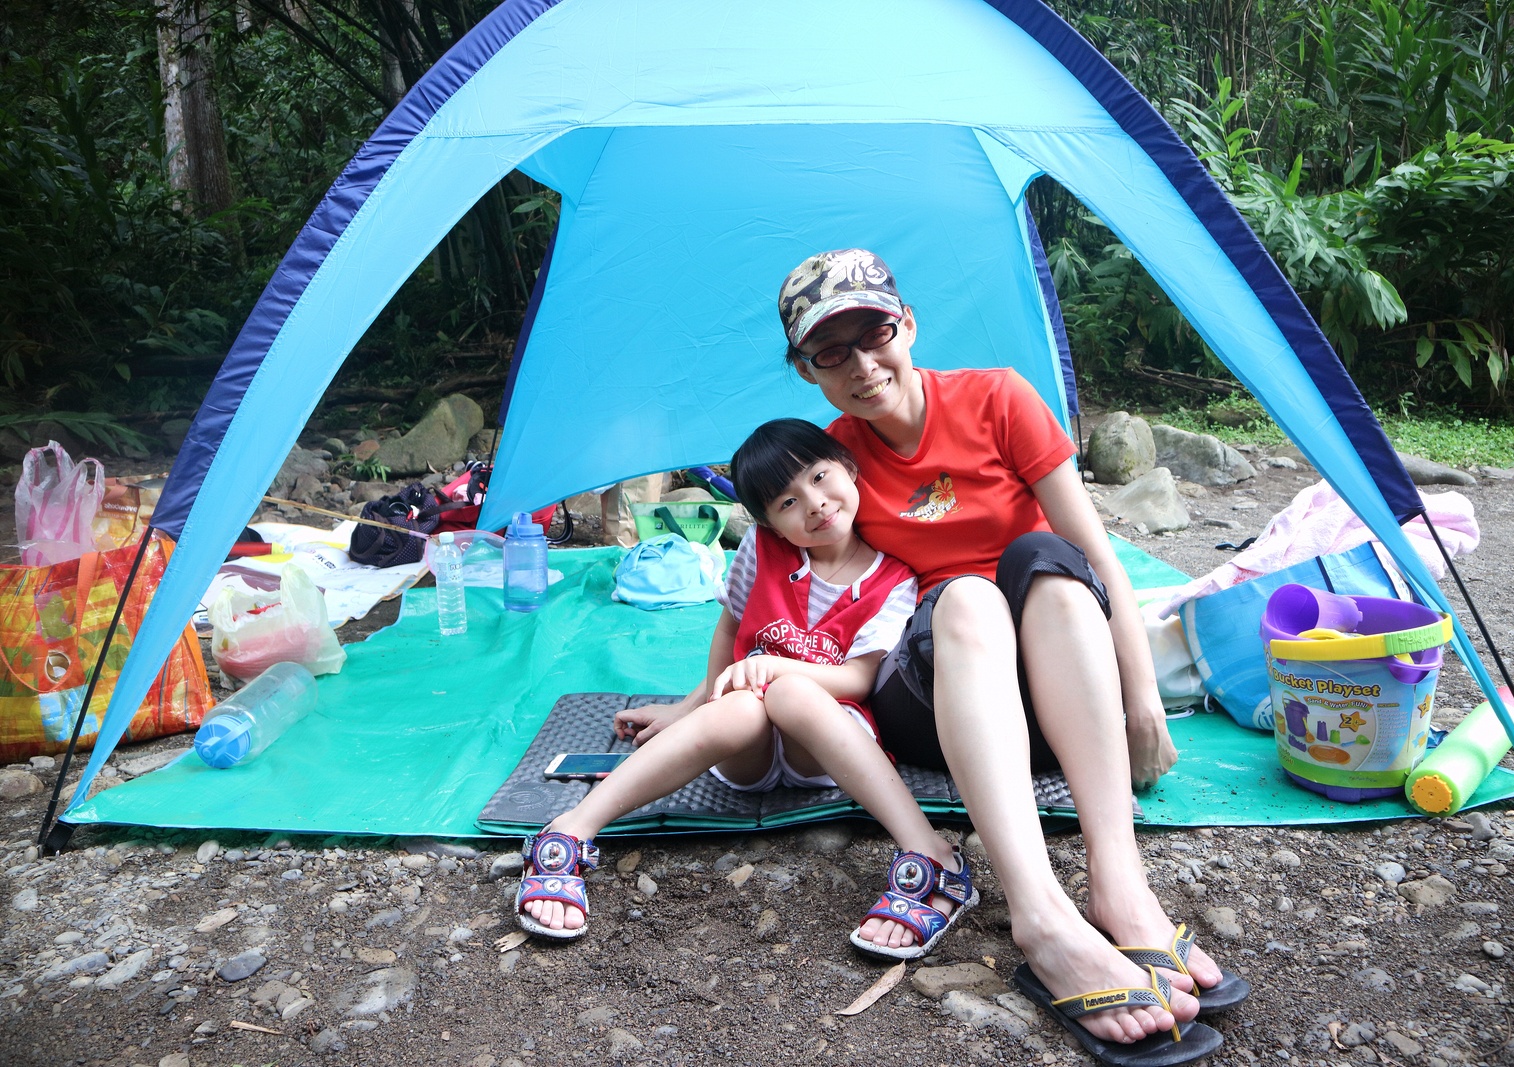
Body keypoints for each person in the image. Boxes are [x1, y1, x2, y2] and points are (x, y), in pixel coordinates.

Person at [776, 249, 1247, 1063]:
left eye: (875, 334)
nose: (862, 364)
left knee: (1047, 562)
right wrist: (705, 696)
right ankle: (1042, 918)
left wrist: (1141, 699)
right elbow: (771, 586)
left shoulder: (997, 399)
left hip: (1054, 706)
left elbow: (1097, 554)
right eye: (831, 350)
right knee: (967, 596)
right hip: (936, 698)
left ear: (907, 324)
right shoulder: (832, 464)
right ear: (806, 369)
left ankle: (1120, 886)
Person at [517, 418, 978, 960]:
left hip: (825, 742)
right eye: (787, 502)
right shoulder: (762, 550)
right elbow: (731, 629)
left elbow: (858, 679)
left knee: (790, 694)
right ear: (768, 523)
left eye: (820, 477)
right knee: (738, 708)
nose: (815, 504)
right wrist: (687, 709)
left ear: (849, 469)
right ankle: (572, 829)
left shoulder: (893, 579)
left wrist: (779, 669)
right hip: (747, 751)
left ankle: (928, 850)